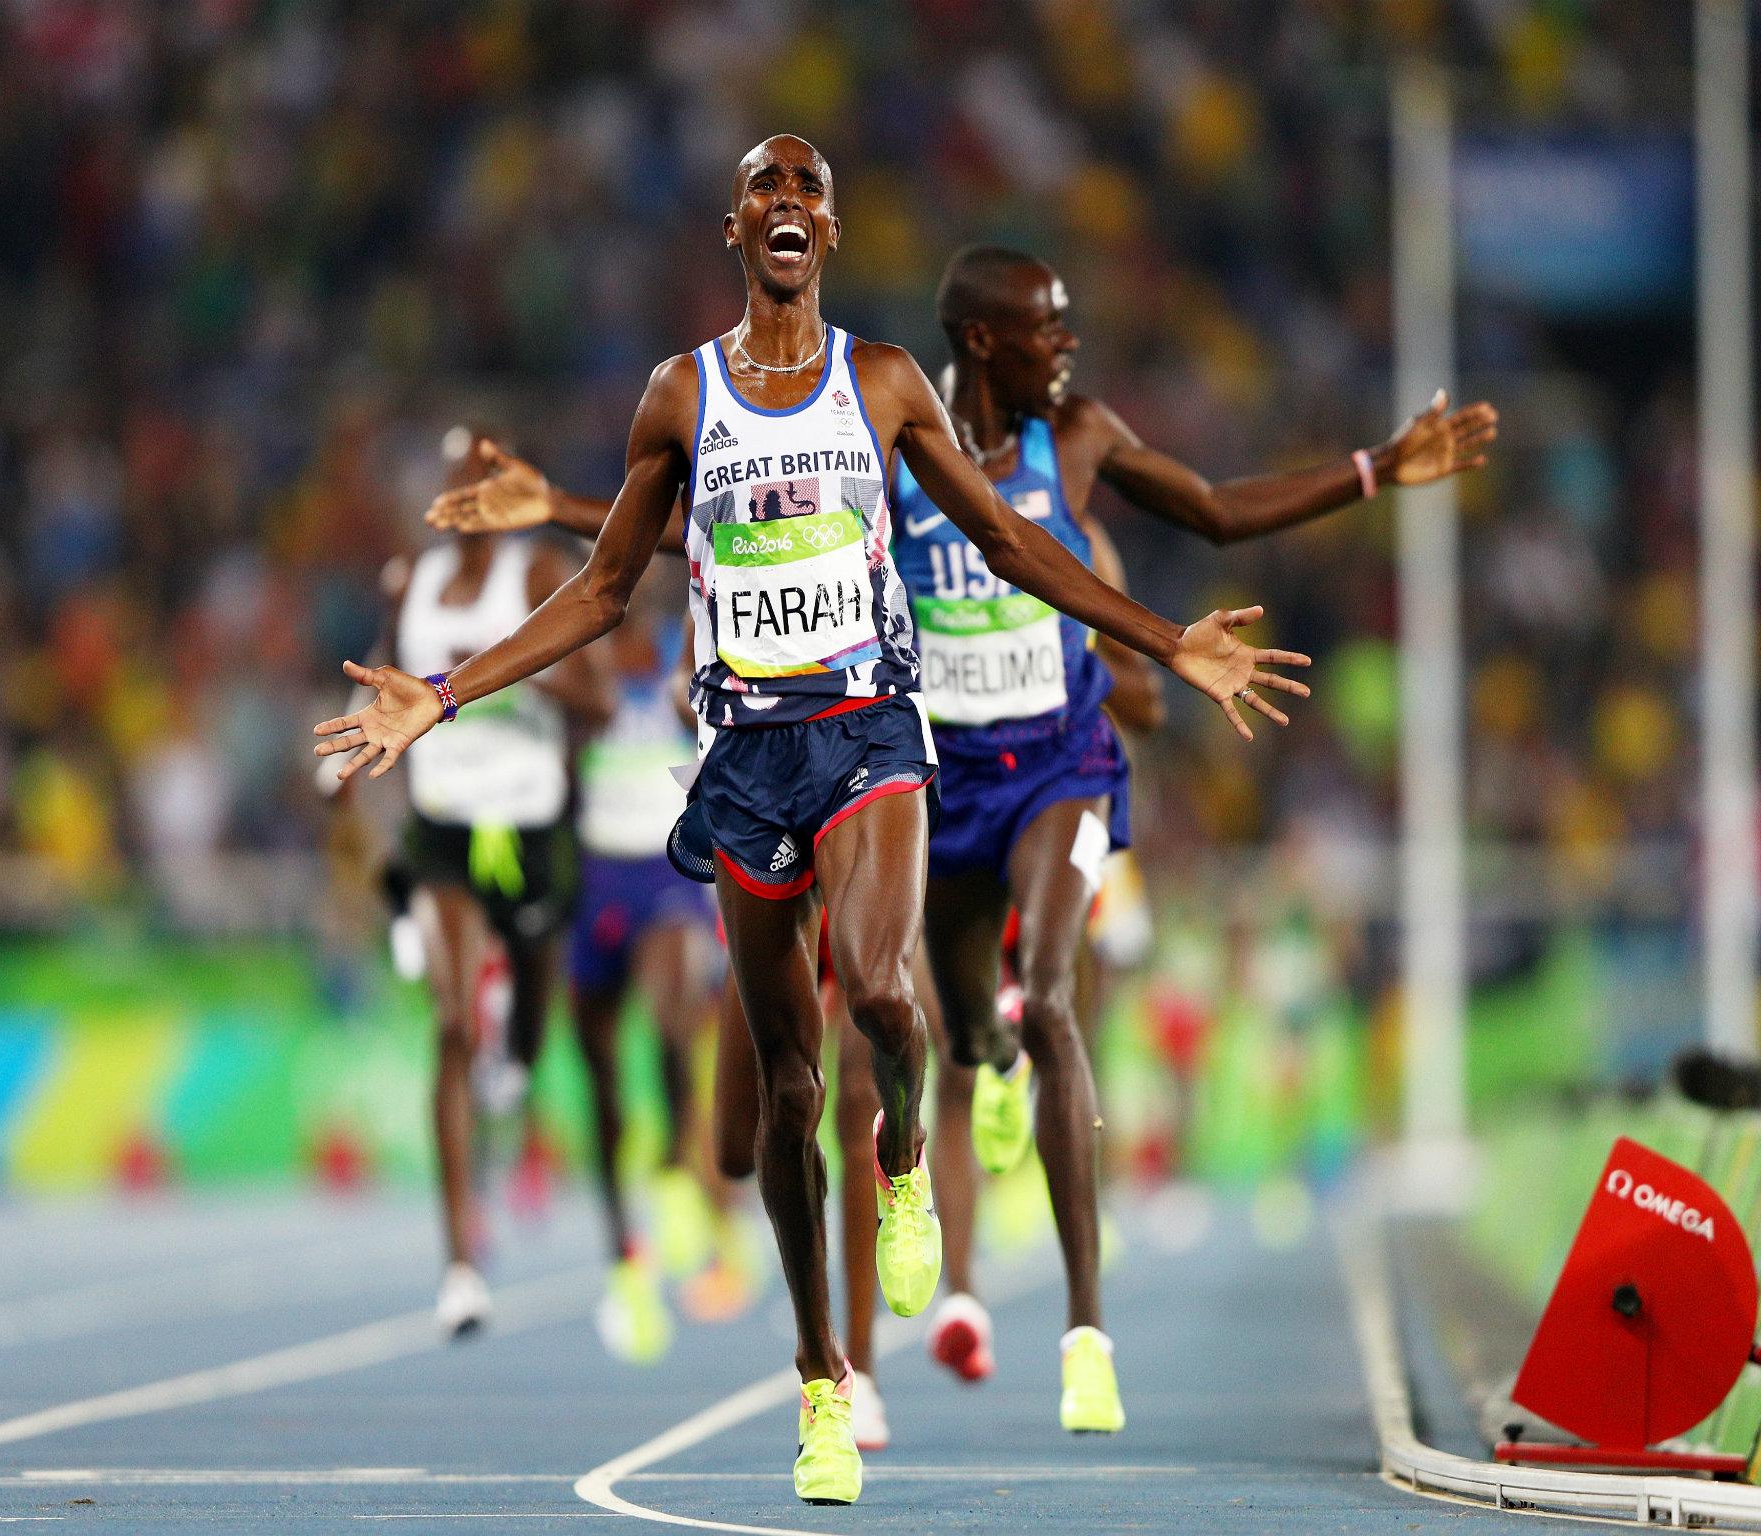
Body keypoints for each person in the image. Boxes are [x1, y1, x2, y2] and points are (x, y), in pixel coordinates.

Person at [312, 135, 1309, 1507]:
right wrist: (440, 694)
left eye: (810, 191)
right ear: (736, 228)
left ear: (830, 231)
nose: (788, 205)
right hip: (746, 755)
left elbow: (1016, 544)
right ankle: (821, 1388)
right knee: (784, 1092)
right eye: (765, 190)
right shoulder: (681, 397)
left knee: (887, 992)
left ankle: (904, 1154)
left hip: (871, 733)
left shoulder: (885, 382)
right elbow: (605, 589)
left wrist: (1165, 641)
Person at [432, 242, 1496, 1438]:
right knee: (759, 1128)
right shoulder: (873, 445)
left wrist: (1364, 476)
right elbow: (727, 523)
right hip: (834, 774)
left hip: (978, 769)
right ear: (986, 338)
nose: (1068, 346)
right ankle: (962, 1078)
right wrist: (565, 512)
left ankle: (1004, 1331)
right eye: (1047, 327)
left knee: (1007, 1002)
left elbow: (1190, 514)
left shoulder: (1059, 433)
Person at [383, 437, 612, 1340]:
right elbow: (385, 690)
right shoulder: (408, 586)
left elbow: (597, 702)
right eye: (450, 484)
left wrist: (506, 674)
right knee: (449, 1024)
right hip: (443, 829)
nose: (463, 499)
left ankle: (514, 1062)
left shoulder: (539, 571)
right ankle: (460, 1264)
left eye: (478, 481)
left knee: (526, 1031)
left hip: (532, 822)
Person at [568, 581, 745, 1363]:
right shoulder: (579, 659)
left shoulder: (690, 643)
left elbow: (717, 721)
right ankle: (624, 1256)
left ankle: (684, 1180)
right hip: (595, 876)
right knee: (600, 1075)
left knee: (677, 1025)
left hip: (674, 873)